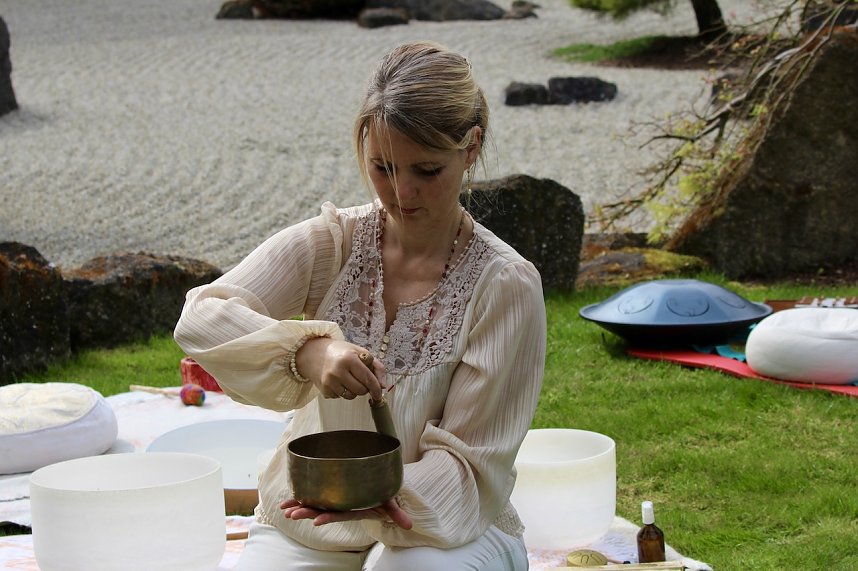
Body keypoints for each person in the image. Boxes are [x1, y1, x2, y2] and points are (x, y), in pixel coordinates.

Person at [174, 40, 546, 571]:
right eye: (383, 167)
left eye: (426, 170)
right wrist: (308, 352)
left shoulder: (504, 285)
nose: (402, 192)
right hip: (312, 514)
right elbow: (202, 315)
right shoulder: (333, 243)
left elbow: (470, 461)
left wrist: (385, 493)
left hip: (444, 526)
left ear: (471, 148)